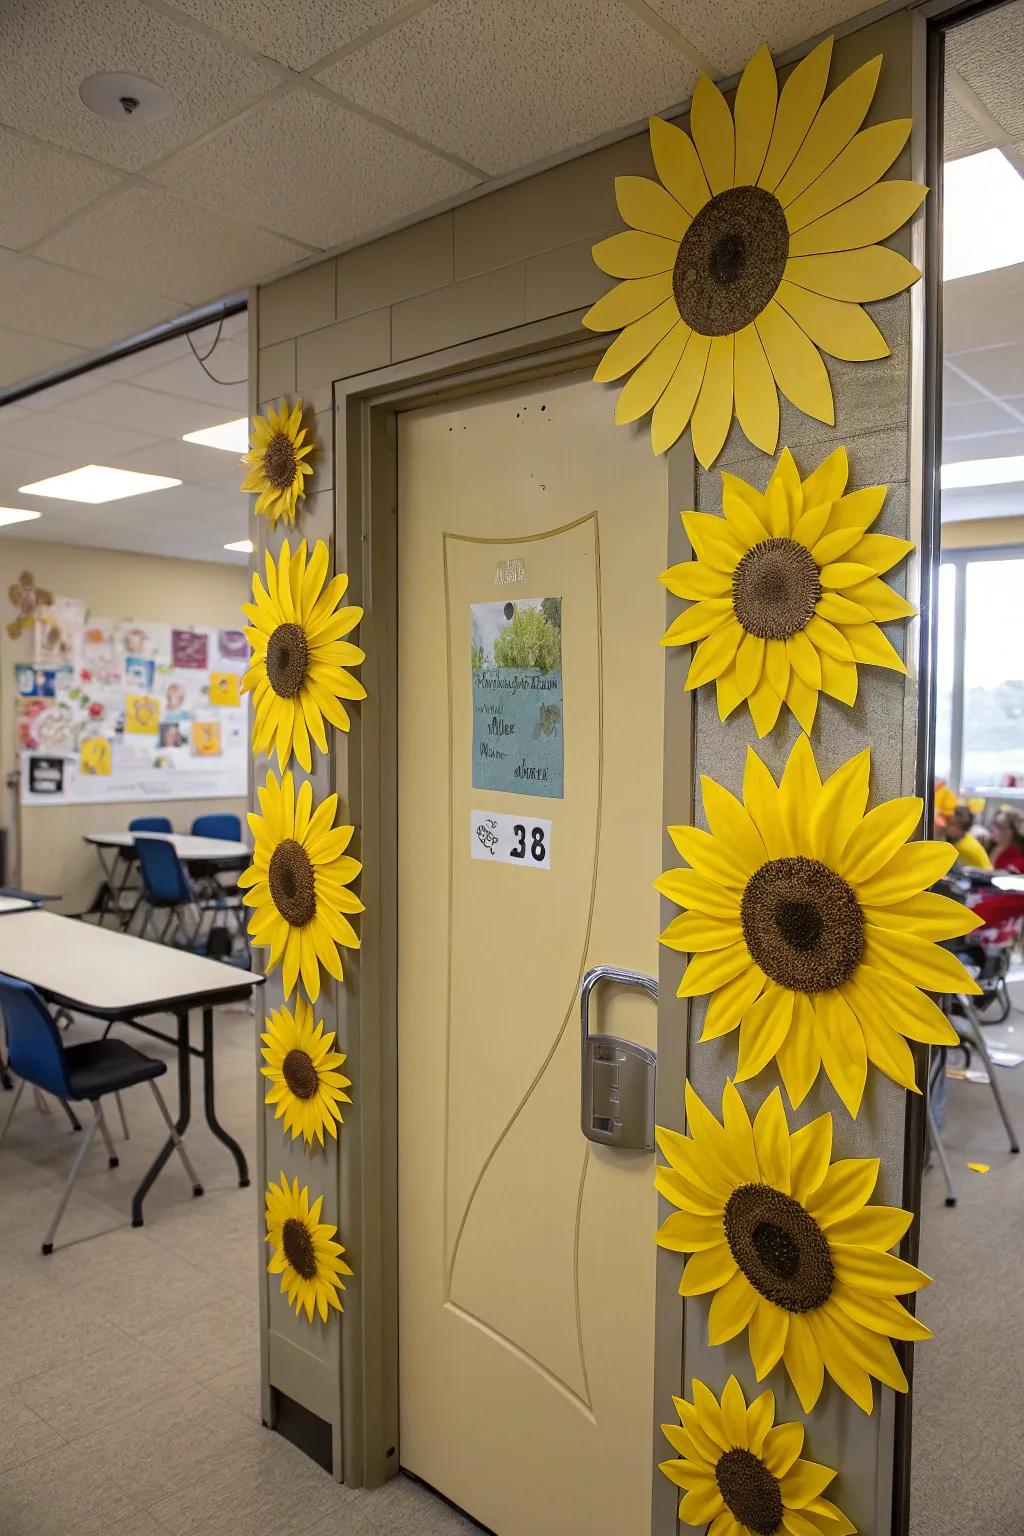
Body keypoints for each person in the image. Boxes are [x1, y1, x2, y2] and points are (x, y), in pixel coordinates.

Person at [945, 803, 991, 869]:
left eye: (950, 823)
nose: (946, 826)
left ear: (959, 827)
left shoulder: (961, 847)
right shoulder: (964, 839)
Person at [990, 807, 1024, 873]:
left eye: (999, 826)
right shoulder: (996, 847)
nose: (992, 828)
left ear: (1012, 832)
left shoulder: (1016, 859)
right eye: (993, 823)